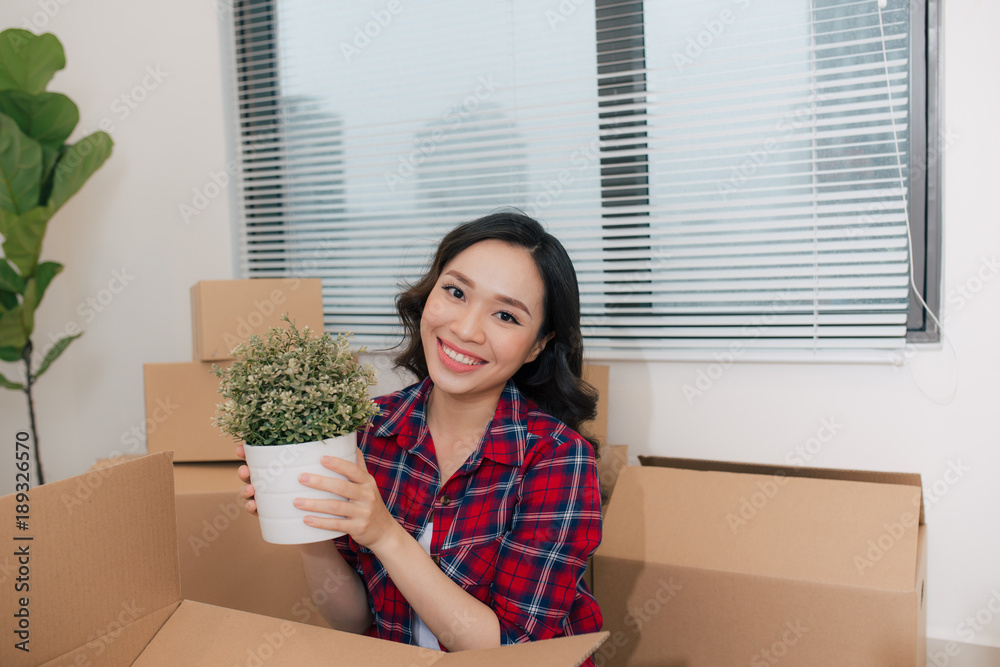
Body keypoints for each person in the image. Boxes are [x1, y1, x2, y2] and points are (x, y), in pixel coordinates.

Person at [236, 210, 603, 657]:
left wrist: (384, 534)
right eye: (455, 292)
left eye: (506, 316)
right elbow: (353, 622)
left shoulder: (558, 458)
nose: (466, 329)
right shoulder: (368, 429)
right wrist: (308, 517)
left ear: (538, 345)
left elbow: (517, 654)